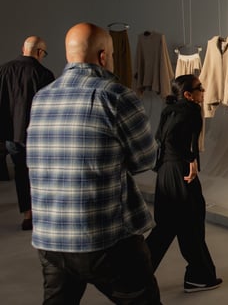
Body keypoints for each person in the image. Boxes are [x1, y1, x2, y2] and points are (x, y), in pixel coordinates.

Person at [26, 23, 161, 304]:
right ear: (103, 56)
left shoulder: (41, 97)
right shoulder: (117, 95)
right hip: (104, 237)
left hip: (51, 238)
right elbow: (145, 160)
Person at [146, 74, 222, 293]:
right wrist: (189, 160)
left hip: (166, 172)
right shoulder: (191, 111)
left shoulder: (170, 109)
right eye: (200, 88)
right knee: (192, 222)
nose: (204, 91)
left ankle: (135, 278)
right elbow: (172, 139)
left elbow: (162, 139)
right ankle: (199, 276)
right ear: (188, 95)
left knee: (167, 227)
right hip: (180, 173)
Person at [0, 36, 55, 230]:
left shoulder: (4, 70)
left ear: (23, 48)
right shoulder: (44, 74)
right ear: (39, 52)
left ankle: (28, 215)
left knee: (21, 173)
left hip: (11, 135)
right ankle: (43, 213)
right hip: (37, 135)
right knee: (41, 174)